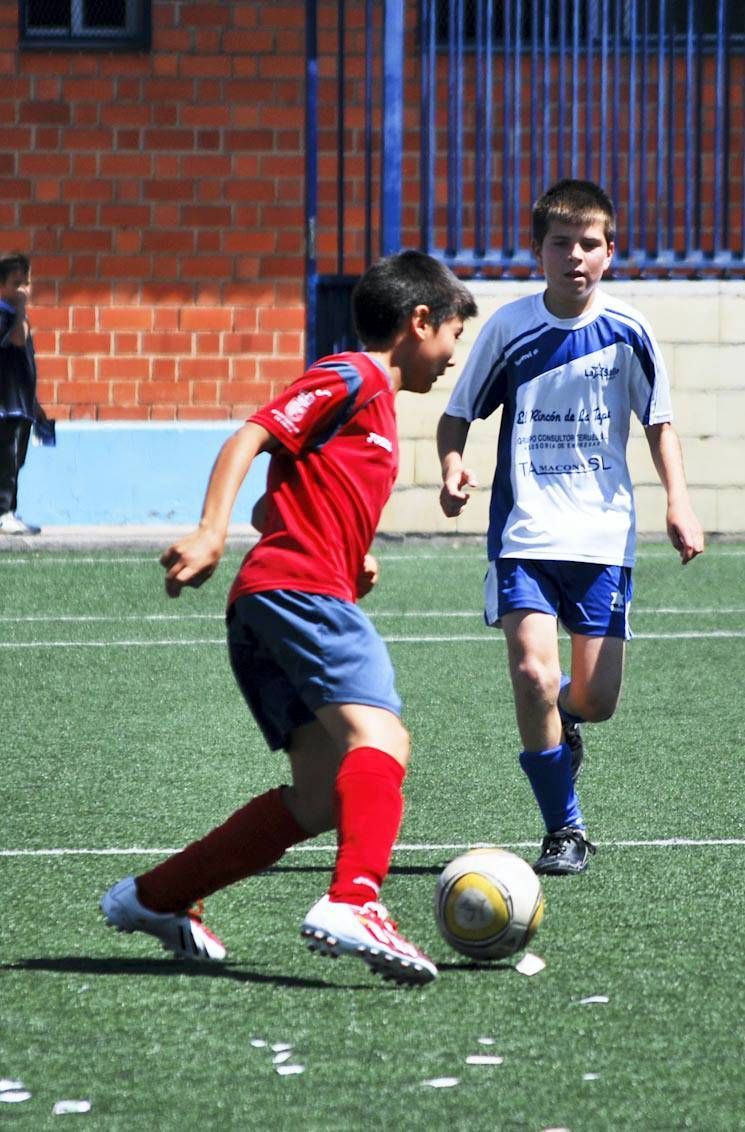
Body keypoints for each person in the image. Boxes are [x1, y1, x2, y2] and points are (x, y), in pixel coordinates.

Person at [101, 250, 477, 985]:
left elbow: (278, 499)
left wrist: (348, 552)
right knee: (382, 736)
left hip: (279, 598)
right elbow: (251, 436)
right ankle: (354, 899)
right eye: (453, 337)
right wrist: (211, 531)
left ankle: (154, 897)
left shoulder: (375, 410)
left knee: (316, 797)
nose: (451, 357)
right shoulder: (355, 375)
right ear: (418, 320)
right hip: (298, 592)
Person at [437, 180, 704, 877]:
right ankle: (564, 829)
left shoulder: (629, 332)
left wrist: (679, 502)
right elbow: (457, 412)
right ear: (537, 251)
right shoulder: (508, 328)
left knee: (593, 699)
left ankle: (567, 724)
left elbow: (658, 423)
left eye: (589, 243)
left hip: (602, 537)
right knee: (531, 672)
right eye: (561, 243)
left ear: (610, 252)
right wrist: (450, 465)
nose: (574, 256)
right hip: (523, 533)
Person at [0, 252, 49, 535]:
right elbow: (17, 340)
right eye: (17, 283)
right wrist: (20, 310)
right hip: (5, 406)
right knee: (5, 460)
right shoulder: (7, 317)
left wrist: (35, 403)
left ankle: (10, 510)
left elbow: (25, 365)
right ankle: (3, 511)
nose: (24, 290)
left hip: (20, 405)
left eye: (26, 283)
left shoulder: (19, 318)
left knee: (16, 459)